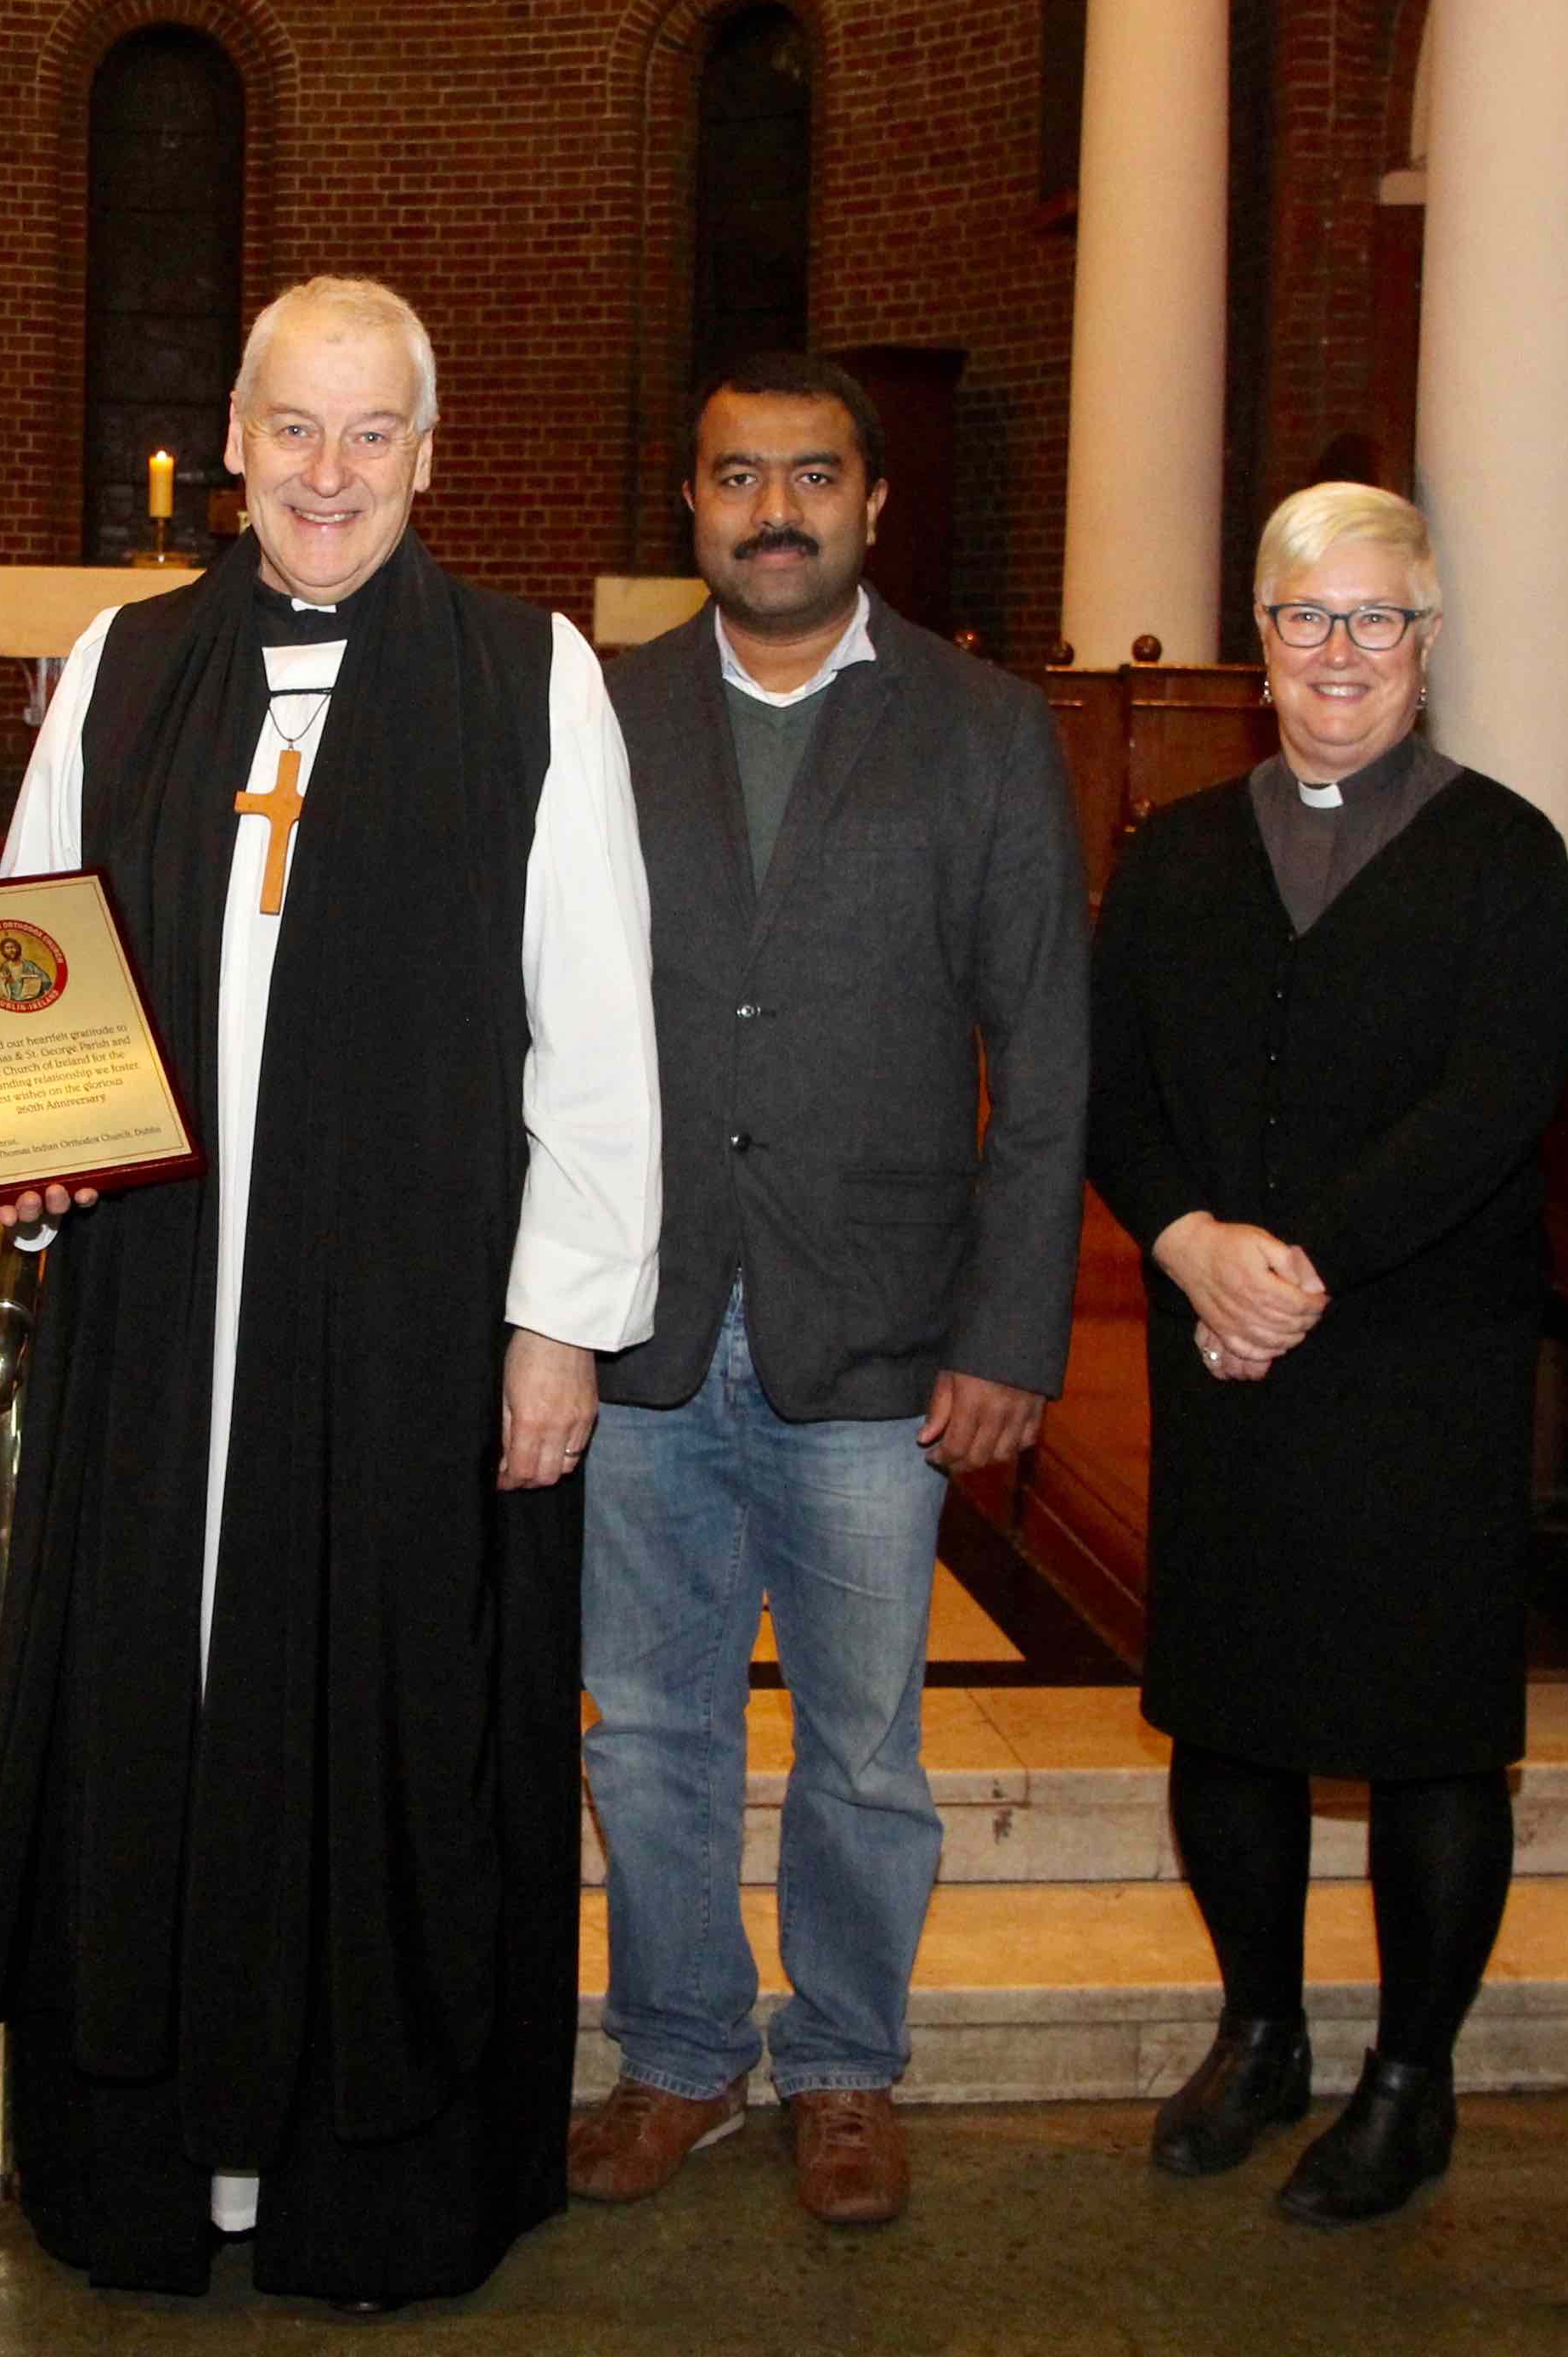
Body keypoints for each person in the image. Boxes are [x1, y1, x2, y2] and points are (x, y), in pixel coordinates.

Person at [0, 274, 662, 2310]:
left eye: (370, 434)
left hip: (410, 1321)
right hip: (157, 1309)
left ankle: (373, 2178)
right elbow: (23, 940)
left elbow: (592, 1029)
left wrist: (557, 1318)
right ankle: (150, 2158)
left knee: (381, 1709)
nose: (326, 473)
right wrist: (30, 1128)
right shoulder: (127, 661)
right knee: (149, 1705)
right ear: (232, 441)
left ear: (425, 456)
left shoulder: (526, 676)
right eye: (292, 427)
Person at [577, 352, 1088, 2227]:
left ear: (871, 504)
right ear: (690, 505)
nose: (770, 508)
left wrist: (1010, 1330)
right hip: (642, 1316)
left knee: (865, 1737)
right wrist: (539, 1297)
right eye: (733, 477)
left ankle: (850, 2060)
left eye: (808, 475)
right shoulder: (600, 712)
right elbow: (534, 1015)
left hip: (880, 1329)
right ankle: (678, 2048)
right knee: (647, 1721)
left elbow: (1042, 1052)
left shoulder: (981, 725)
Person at [1087, 482, 1568, 2228]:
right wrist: (1190, 1242)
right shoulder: (1175, 850)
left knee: (1429, 1728)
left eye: (1379, 619)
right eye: (1308, 618)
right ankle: (1264, 2025)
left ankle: (1409, 2074)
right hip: (1219, 1341)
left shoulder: (1504, 852)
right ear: (1261, 642)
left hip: (1418, 1352)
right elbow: (1113, 1086)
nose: (1342, 653)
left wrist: (1300, 1267)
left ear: (1426, 647)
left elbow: (1495, 1097)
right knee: (1232, 1709)